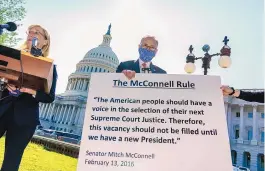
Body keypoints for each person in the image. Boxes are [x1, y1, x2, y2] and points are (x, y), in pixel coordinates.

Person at [0, 24, 58, 171]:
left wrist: (30, 90)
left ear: (45, 41)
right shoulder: (12, 57)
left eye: (36, 32)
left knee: (11, 162)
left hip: (25, 119)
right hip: (3, 108)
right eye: (29, 32)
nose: (31, 34)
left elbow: (49, 97)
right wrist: (4, 85)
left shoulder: (50, 67)